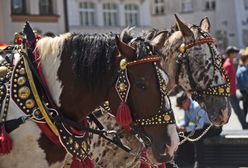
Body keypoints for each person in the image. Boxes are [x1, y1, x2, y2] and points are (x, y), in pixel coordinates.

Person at [167, 93, 222, 168]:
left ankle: (200, 163)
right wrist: (179, 127)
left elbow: (200, 125)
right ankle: (184, 159)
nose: (182, 108)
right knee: (183, 135)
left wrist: (186, 129)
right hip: (200, 128)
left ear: (186, 101)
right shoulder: (186, 108)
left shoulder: (197, 107)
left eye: (181, 106)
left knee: (198, 138)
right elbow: (186, 121)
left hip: (213, 128)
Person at [223, 46, 248, 129]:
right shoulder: (228, 65)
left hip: (232, 91)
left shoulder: (229, 63)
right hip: (230, 92)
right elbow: (225, 79)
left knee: (238, 110)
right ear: (230, 54)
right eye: (234, 52)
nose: (236, 54)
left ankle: (244, 124)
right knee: (237, 110)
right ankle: (244, 125)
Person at [236, 47, 248, 120]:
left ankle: (244, 120)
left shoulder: (240, 68)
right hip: (246, 91)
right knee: (245, 107)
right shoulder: (244, 70)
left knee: (245, 107)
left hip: (243, 91)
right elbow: (246, 83)